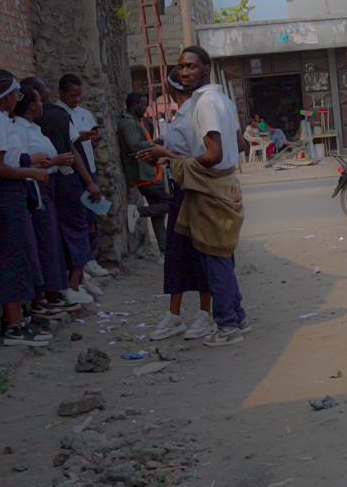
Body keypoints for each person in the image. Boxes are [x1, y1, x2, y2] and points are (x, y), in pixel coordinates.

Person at [138, 46, 250, 347]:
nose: (185, 72)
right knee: (220, 256)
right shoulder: (221, 99)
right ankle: (236, 316)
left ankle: (226, 325)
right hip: (224, 185)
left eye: (191, 67)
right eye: (181, 67)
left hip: (209, 188)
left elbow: (212, 155)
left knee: (215, 260)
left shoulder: (204, 104)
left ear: (205, 69)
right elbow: (239, 144)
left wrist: (170, 157)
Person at [0, 67, 53, 346]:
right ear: (5, 97)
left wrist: (29, 160)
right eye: (16, 92)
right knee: (10, 258)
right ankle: (14, 327)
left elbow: (9, 158)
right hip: (5, 192)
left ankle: (18, 317)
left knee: (20, 254)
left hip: (10, 191)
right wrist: (31, 173)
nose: (19, 96)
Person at [26, 76, 101, 303]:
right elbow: (71, 152)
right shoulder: (56, 116)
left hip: (50, 183)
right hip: (62, 181)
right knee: (76, 229)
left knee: (62, 231)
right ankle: (72, 285)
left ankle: (73, 280)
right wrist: (88, 181)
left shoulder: (34, 122)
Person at [12, 85, 81, 320]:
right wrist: (54, 161)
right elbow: (21, 163)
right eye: (40, 101)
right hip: (36, 189)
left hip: (48, 186)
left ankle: (54, 292)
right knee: (42, 242)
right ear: (32, 105)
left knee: (51, 240)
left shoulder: (34, 128)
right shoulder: (19, 130)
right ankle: (40, 297)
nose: (43, 105)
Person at [55, 74, 110, 278]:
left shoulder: (85, 113)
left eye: (79, 95)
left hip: (89, 166)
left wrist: (93, 138)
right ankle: (78, 263)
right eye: (72, 95)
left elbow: (93, 141)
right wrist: (79, 137)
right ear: (62, 92)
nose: (76, 99)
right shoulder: (57, 113)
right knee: (76, 216)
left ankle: (90, 258)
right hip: (70, 170)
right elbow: (67, 140)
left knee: (91, 215)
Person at [119, 92, 171, 258]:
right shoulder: (128, 123)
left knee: (158, 213)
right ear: (134, 105)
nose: (146, 107)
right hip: (144, 174)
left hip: (150, 172)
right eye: (143, 104)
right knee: (173, 204)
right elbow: (134, 146)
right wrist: (156, 143)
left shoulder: (137, 122)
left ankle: (164, 250)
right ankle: (137, 212)